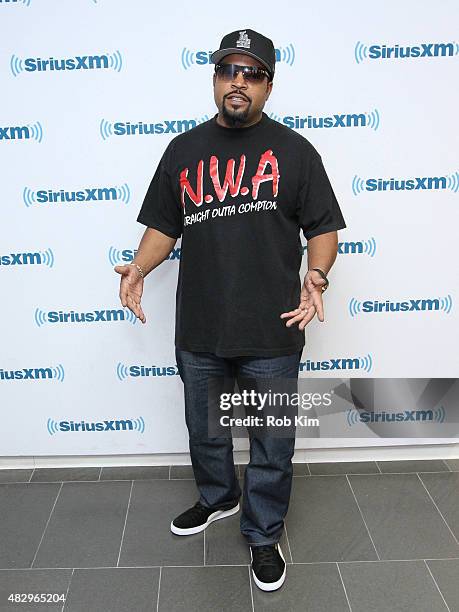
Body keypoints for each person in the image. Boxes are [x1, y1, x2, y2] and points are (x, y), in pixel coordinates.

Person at [115, 28, 346, 592]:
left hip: (272, 327)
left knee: (271, 439)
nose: (238, 82)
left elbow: (324, 229)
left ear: (269, 85)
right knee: (205, 429)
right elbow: (162, 227)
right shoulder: (183, 150)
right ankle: (218, 499)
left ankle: (263, 534)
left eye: (252, 73)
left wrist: (316, 276)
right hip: (199, 324)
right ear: (215, 79)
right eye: (229, 71)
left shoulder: (295, 151)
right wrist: (140, 267)